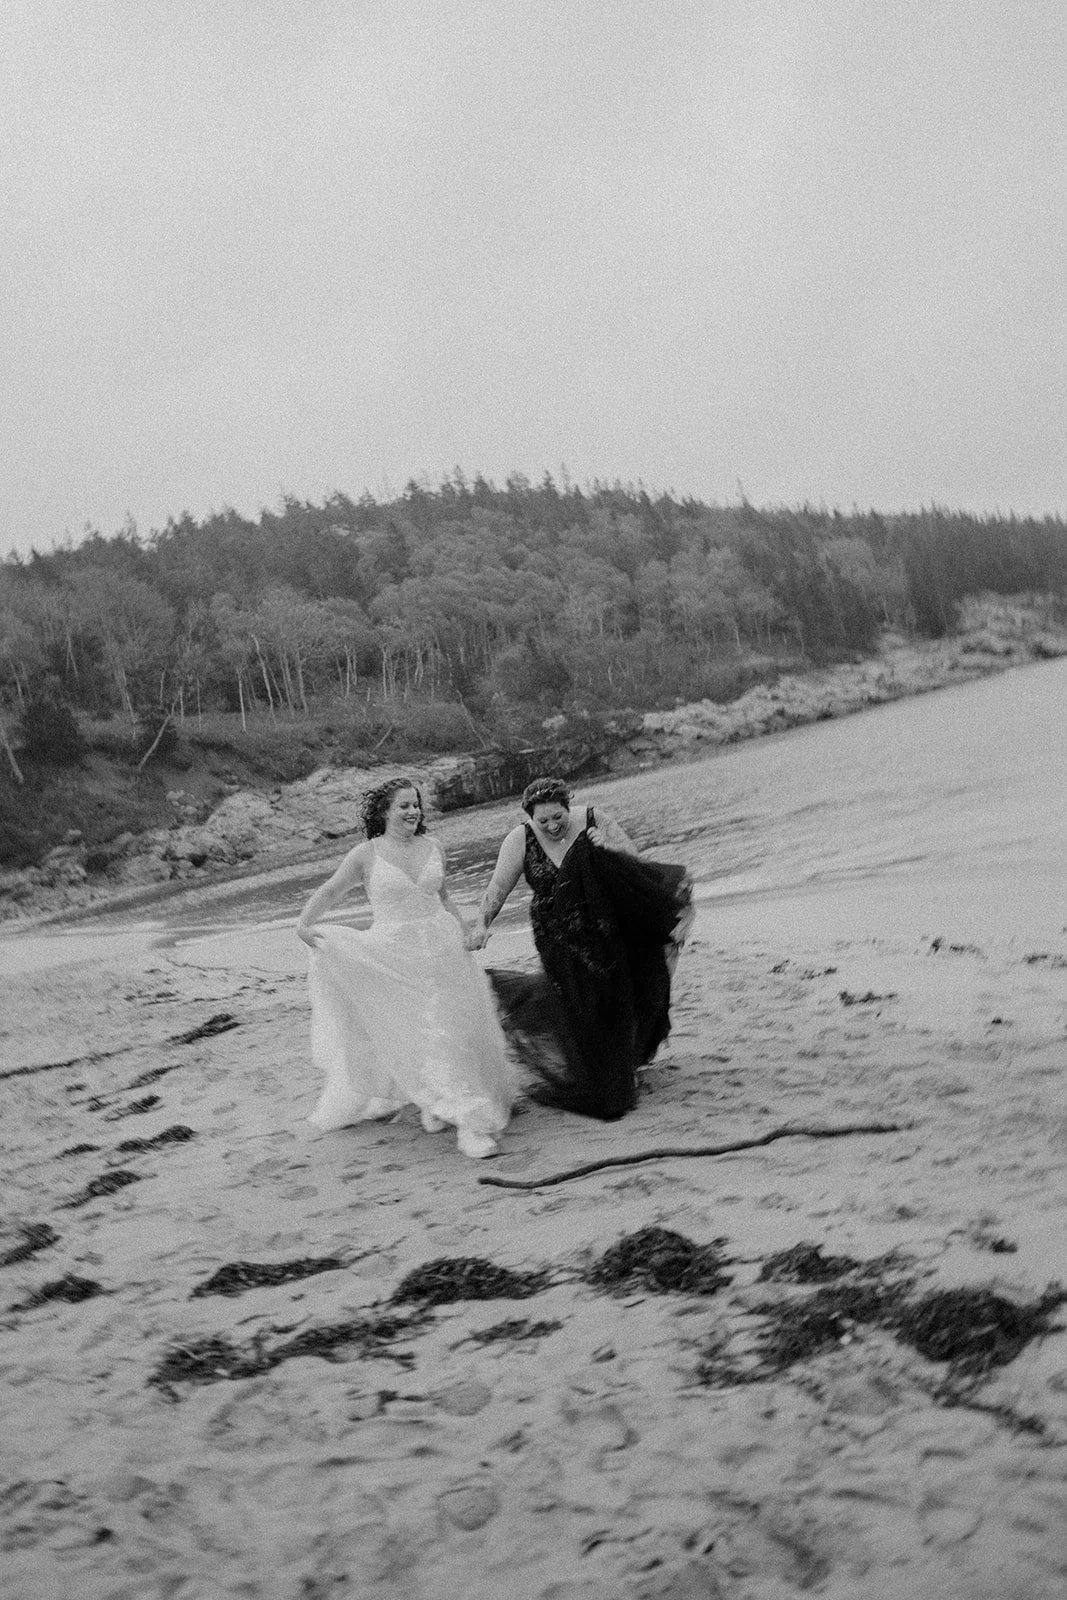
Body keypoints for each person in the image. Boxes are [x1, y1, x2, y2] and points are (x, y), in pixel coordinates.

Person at [296, 777, 520, 1159]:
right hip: (395, 953)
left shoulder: (434, 846)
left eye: (416, 805)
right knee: (420, 1032)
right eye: (404, 806)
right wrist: (304, 923)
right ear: (384, 811)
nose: (413, 811)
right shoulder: (365, 855)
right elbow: (332, 890)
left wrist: (468, 930)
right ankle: (463, 1119)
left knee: (452, 1028)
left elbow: (444, 899)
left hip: (444, 951)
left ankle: (455, 1111)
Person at [467, 777, 693, 1121]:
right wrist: (483, 923)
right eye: (543, 821)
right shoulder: (520, 839)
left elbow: (637, 863)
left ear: (568, 806)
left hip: (608, 929)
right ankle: (599, 1069)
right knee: (576, 1002)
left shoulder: (593, 819)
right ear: (530, 818)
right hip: (557, 935)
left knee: (617, 996)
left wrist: (608, 848)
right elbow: (499, 887)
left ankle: (623, 1063)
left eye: (558, 816)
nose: (553, 826)